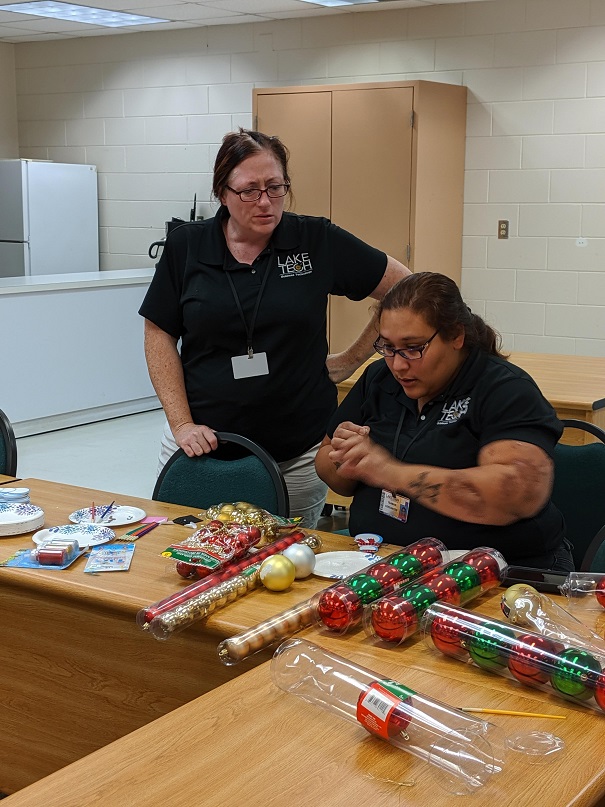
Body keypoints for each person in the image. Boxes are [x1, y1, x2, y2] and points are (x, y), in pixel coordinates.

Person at [139, 128, 410, 527]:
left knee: (284, 567)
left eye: (275, 187)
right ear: (222, 192)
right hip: (200, 448)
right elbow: (159, 332)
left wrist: (351, 360)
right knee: (188, 559)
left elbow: (406, 289)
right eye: (250, 190)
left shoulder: (314, 240)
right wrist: (181, 423)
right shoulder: (187, 246)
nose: (265, 201)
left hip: (295, 454)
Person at [315, 272, 574, 571]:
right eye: (387, 347)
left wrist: (386, 471)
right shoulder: (378, 379)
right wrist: (345, 456)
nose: (399, 365)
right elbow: (326, 462)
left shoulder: (504, 389)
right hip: (384, 563)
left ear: (456, 336)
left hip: (498, 574)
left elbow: (513, 495)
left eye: (414, 348)